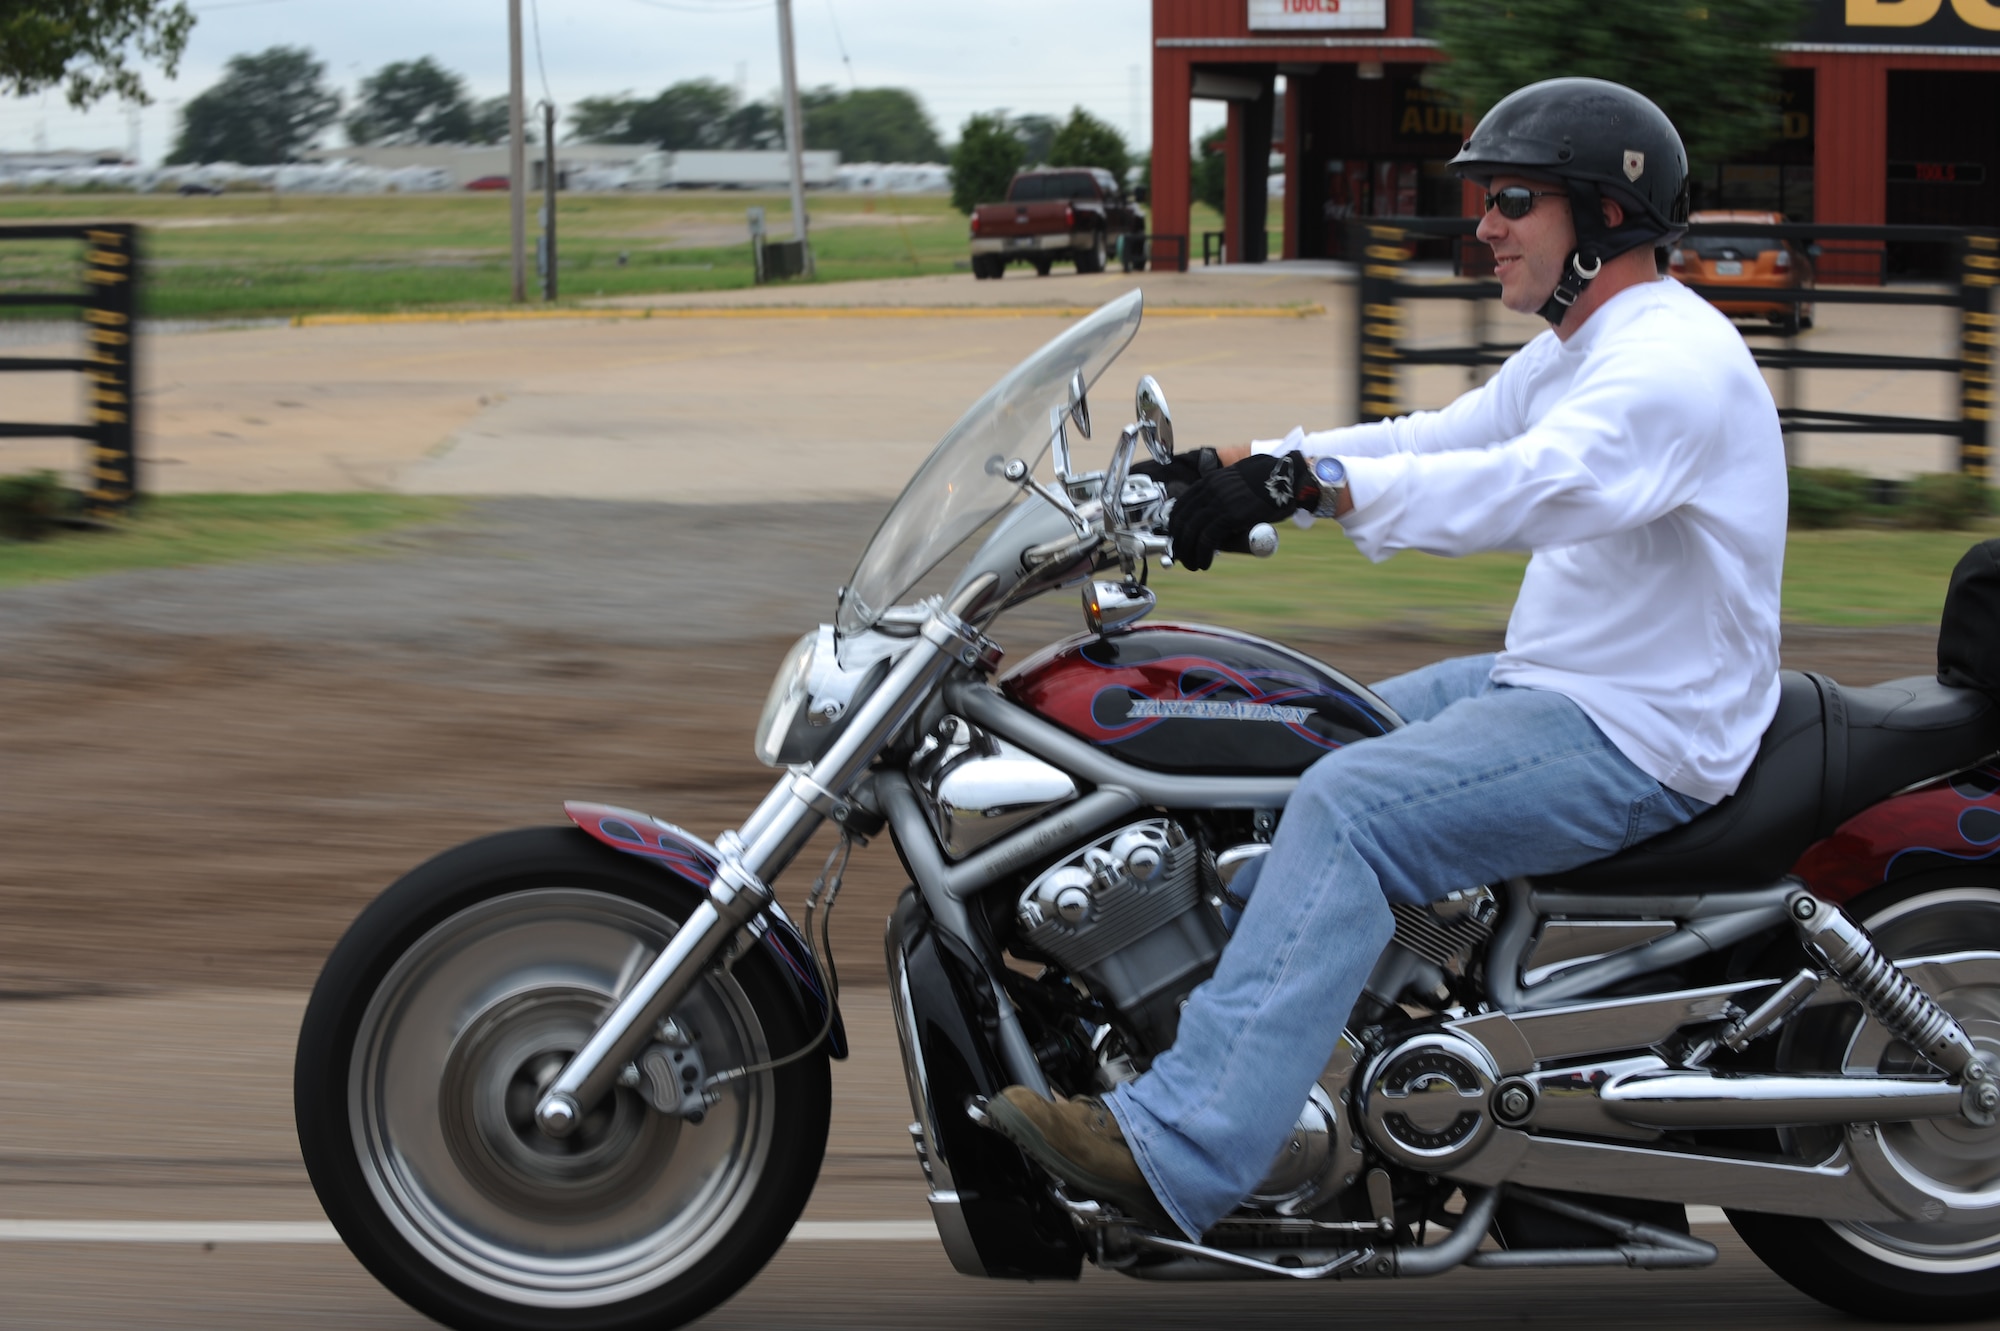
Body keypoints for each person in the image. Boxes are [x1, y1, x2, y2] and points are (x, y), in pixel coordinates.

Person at [983, 77, 1789, 1240]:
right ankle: (1255, 1032)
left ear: (1604, 216)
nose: (1484, 224)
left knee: (1347, 806)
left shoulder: (1668, 363)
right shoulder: (1581, 348)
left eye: (1511, 199)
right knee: (1270, 739)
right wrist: (1232, 461)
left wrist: (1309, 486)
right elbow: (1436, 438)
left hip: (1640, 729)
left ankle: (1183, 1143)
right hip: (1556, 683)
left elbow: (1525, 484)